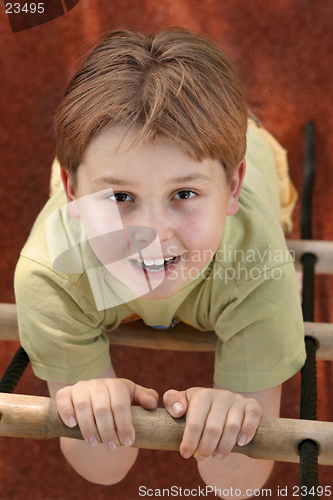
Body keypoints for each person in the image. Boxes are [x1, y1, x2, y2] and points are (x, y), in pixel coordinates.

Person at [14, 27, 306, 497]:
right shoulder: (50, 276)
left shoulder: (259, 269)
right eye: (121, 197)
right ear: (72, 192)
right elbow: (105, 471)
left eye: (184, 194)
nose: (153, 232)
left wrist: (229, 434)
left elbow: (238, 487)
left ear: (232, 189)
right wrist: (91, 412)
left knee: (272, 259)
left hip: (249, 163)